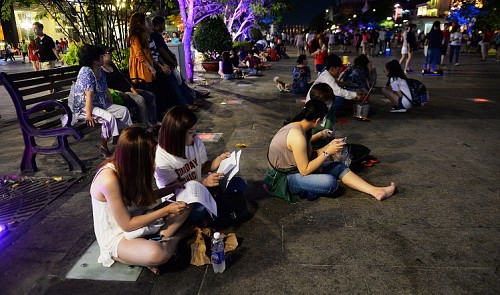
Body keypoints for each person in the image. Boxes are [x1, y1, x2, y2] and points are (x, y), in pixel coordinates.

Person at [91, 126, 191, 274]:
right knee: (156, 254)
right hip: (118, 236)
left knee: (186, 206)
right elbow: (127, 225)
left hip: (138, 217)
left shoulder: (126, 170)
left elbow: (142, 199)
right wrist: (166, 210)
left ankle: (155, 241)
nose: (153, 162)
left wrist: (174, 188)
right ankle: (176, 238)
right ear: (136, 158)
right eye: (149, 156)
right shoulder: (109, 179)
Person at [266, 97, 395, 202]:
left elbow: (312, 155)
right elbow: (305, 170)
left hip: (294, 170)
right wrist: (327, 152)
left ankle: (375, 191)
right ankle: (307, 187)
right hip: (283, 179)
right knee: (330, 183)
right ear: (317, 120)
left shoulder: (299, 127)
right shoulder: (297, 135)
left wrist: (329, 146)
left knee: (338, 167)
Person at [155, 106, 247, 221]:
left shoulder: (195, 142)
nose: (195, 135)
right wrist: (203, 182)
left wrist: (217, 161)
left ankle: (216, 207)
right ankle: (217, 207)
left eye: (195, 130)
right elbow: (176, 188)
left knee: (240, 183)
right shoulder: (162, 157)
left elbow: (202, 168)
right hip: (181, 200)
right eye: (190, 132)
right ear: (177, 135)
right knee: (199, 209)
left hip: (202, 188)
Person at [72, 44, 132, 157]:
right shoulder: (86, 72)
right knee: (108, 118)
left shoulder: (100, 70)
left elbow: (105, 90)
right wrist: (88, 115)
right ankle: (103, 146)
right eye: (101, 56)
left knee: (123, 111)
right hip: (85, 107)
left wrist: (112, 105)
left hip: (100, 103)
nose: (103, 58)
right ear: (94, 60)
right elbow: (88, 95)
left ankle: (120, 139)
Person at [150, 16, 206, 111]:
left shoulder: (157, 36)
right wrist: (171, 60)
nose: (164, 26)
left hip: (167, 63)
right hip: (165, 64)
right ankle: (185, 103)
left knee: (180, 82)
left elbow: (164, 49)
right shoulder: (155, 36)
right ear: (158, 25)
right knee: (175, 84)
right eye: (162, 24)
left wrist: (172, 57)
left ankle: (190, 100)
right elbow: (161, 50)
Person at [100, 45, 159, 132]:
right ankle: (145, 126)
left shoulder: (112, 65)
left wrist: (132, 88)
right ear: (102, 55)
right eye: (109, 53)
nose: (111, 54)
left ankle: (153, 121)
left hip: (128, 89)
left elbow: (123, 78)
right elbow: (105, 88)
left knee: (150, 95)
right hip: (120, 94)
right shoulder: (101, 71)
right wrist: (119, 92)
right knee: (140, 99)